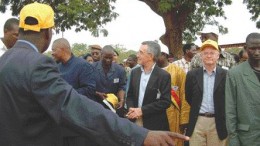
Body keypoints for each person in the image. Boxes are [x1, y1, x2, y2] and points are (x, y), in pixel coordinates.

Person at [0, 2, 189, 146]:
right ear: (48, 33)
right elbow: (75, 107)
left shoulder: (4, 61)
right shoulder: (39, 64)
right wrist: (141, 135)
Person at [52, 38, 97, 146]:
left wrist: (67, 95)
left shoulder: (82, 65)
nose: (52, 53)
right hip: (61, 123)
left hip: (78, 125)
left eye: (54, 50)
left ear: (62, 49)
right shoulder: (57, 67)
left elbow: (90, 89)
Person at [185, 39, 228, 146]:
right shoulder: (192, 75)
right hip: (197, 121)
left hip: (218, 122)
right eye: (206, 53)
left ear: (218, 56)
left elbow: (229, 98)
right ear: (201, 56)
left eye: (212, 53)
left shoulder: (226, 75)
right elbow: (189, 97)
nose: (209, 56)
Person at [126, 41, 171, 131]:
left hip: (155, 124)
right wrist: (131, 109)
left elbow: (165, 102)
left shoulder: (163, 75)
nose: (137, 55)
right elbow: (130, 95)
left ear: (150, 56)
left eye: (141, 52)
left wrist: (142, 110)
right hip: (135, 122)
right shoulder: (135, 72)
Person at [225, 32, 260, 146]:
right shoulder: (235, 74)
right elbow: (230, 110)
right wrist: (233, 139)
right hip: (247, 137)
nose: (257, 52)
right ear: (245, 48)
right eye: (252, 48)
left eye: (259, 48)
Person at [157, 44, 190, 146]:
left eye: (156, 54)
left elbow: (184, 95)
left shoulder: (178, 71)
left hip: (172, 113)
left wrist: (184, 119)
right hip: (154, 112)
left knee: (173, 141)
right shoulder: (150, 71)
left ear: (164, 55)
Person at [93, 45, 126, 116]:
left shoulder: (120, 70)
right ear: (101, 55)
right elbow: (87, 86)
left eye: (110, 58)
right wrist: (97, 93)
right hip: (96, 104)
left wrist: (122, 100)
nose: (108, 60)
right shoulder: (92, 68)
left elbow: (122, 87)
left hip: (113, 106)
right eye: (106, 57)